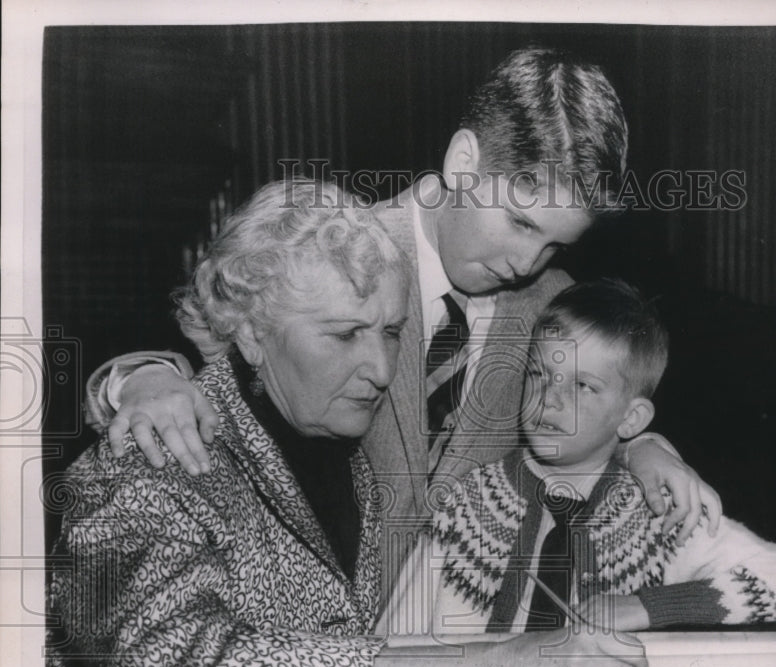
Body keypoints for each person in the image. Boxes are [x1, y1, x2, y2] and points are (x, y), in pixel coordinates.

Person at [46, 181, 650, 667]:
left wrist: (644, 445)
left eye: (390, 332)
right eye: (344, 335)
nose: (383, 370)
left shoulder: (345, 456)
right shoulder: (154, 456)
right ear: (254, 333)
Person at [81, 48, 722, 593]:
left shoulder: (554, 300)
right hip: (321, 639)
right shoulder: (331, 250)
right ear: (463, 162)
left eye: (556, 243)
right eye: (521, 222)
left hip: (462, 641)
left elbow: (590, 411)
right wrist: (143, 380)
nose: (528, 261)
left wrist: (643, 447)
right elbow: (195, 330)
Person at [385, 279, 776, 635]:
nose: (549, 400)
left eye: (582, 386)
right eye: (539, 375)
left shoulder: (654, 513)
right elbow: (396, 636)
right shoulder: (467, 503)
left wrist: (646, 606)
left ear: (631, 419)